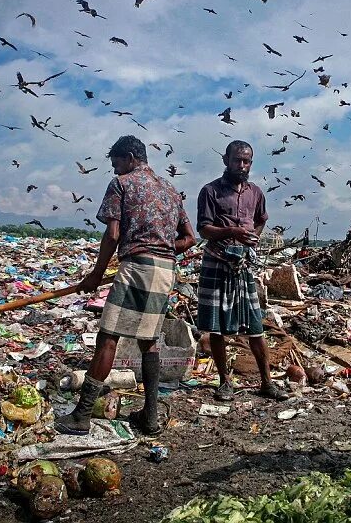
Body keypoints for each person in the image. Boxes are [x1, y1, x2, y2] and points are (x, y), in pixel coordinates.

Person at [56, 135, 195, 435]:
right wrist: (163, 249)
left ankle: (81, 416)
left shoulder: (122, 185)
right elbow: (190, 238)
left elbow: (113, 235)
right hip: (165, 271)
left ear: (131, 157)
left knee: (109, 337)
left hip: (137, 268)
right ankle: (151, 417)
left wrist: (95, 274)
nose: (115, 170)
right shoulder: (171, 190)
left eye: (117, 163)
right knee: (149, 341)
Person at [195, 140, 289, 402]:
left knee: (255, 326)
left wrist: (252, 238)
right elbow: (204, 229)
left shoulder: (256, 193)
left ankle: (267, 382)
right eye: (237, 160)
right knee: (216, 328)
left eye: (247, 161)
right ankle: (225, 382)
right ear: (226, 160)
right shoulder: (210, 191)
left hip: (243, 264)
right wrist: (233, 232)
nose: (242, 165)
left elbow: (261, 219)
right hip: (217, 260)